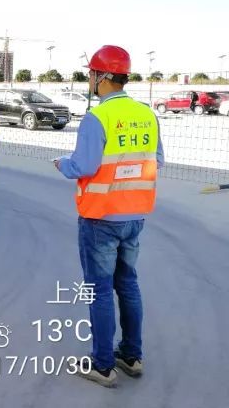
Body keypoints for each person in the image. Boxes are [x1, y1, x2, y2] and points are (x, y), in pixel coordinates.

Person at [54, 45, 164, 387]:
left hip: (100, 217)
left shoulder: (97, 118)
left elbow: (84, 166)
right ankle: (131, 355)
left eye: (91, 74)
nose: (89, 79)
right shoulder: (147, 114)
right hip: (135, 216)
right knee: (128, 284)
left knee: (99, 290)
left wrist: (62, 165)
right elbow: (156, 159)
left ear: (102, 77)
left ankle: (102, 365)